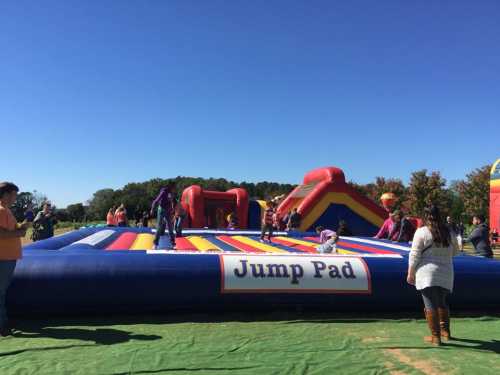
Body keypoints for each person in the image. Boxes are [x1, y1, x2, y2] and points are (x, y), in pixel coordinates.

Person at [406, 206, 460, 346]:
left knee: (430, 305)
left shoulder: (421, 232)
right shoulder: (449, 232)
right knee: (442, 303)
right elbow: (455, 252)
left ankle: (435, 337)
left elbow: (414, 255)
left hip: (427, 274)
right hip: (446, 273)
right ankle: (445, 332)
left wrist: (410, 272)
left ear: (425, 216)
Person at [0, 182, 29, 336]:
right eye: (14, 194)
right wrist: (19, 233)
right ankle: (2, 325)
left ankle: (3, 323)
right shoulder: (1, 211)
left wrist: (23, 226)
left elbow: (11, 229)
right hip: (3, 257)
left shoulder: (7, 211)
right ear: (5, 194)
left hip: (7, 257)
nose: (15, 198)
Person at [151, 184, 176, 249]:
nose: (174, 190)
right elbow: (156, 200)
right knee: (159, 226)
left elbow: (171, 201)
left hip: (168, 210)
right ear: (170, 188)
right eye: (173, 188)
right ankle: (155, 244)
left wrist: (172, 208)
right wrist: (152, 209)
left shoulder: (171, 193)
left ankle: (173, 243)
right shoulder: (164, 192)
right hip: (161, 209)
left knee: (170, 226)